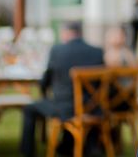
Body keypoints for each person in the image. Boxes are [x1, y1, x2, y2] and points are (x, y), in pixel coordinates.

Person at [19, 21, 104, 157]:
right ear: (80, 33)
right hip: (91, 108)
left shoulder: (57, 51)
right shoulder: (97, 52)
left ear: (65, 33)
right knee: (64, 101)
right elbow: (101, 84)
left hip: (65, 108)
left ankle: (28, 152)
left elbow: (46, 80)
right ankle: (70, 146)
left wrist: (43, 91)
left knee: (30, 108)